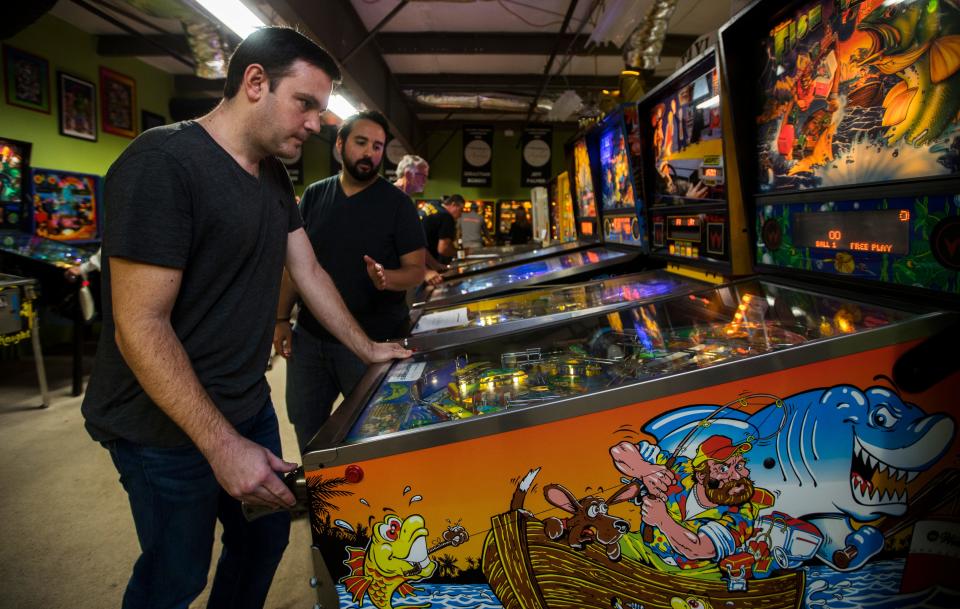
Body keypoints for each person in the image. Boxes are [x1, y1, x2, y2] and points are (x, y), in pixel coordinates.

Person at [79, 27, 409, 609]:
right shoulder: (163, 164)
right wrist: (222, 445)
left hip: (245, 400)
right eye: (304, 103)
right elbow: (140, 326)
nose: (315, 124)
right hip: (162, 424)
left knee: (263, 541)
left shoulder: (274, 177)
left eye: (321, 109)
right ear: (255, 82)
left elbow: (308, 273)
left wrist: (369, 348)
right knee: (176, 573)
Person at [273, 110, 426, 450]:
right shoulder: (314, 195)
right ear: (340, 144)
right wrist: (281, 318)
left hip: (372, 339)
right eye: (361, 143)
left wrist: (388, 278)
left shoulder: (398, 204)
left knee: (374, 435)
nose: (370, 153)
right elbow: (297, 266)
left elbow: (416, 270)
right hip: (310, 339)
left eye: (377, 146)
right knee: (309, 432)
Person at [609, 434, 772, 572]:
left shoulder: (741, 515)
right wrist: (644, 469)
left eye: (740, 465)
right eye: (723, 469)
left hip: (694, 574)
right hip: (646, 550)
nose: (737, 476)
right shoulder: (679, 468)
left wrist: (661, 520)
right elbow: (619, 450)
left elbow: (698, 549)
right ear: (701, 476)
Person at [393, 155, 443, 283]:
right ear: (409, 174)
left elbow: (415, 243)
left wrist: (436, 265)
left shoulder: (404, 198)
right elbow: (398, 242)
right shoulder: (394, 197)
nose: (425, 181)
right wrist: (425, 272)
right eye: (423, 176)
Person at [421, 194, 464, 266]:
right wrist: (459, 253)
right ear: (453, 204)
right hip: (426, 262)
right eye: (461, 210)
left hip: (411, 254)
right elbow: (443, 249)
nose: (460, 214)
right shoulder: (446, 216)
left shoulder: (432, 204)